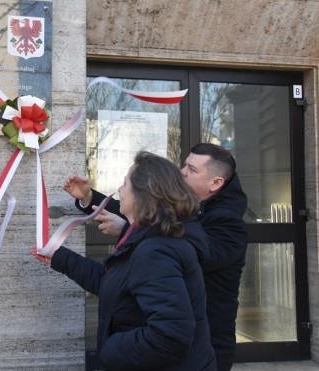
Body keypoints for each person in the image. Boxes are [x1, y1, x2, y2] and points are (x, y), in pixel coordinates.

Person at [65, 143, 247, 371]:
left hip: (204, 347)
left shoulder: (229, 224)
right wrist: (89, 197)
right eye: (184, 164)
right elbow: (142, 207)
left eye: (192, 169)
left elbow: (187, 250)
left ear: (216, 183)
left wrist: (128, 229)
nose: (182, 172)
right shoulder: (185, 211)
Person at [33, 151, 217, 371]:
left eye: (125, 184)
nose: (119, 190)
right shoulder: (148, 237)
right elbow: (112, 282)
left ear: (143, 195)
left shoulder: (155, 251)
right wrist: (60, 257)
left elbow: (170, 334)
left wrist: (112, 348)